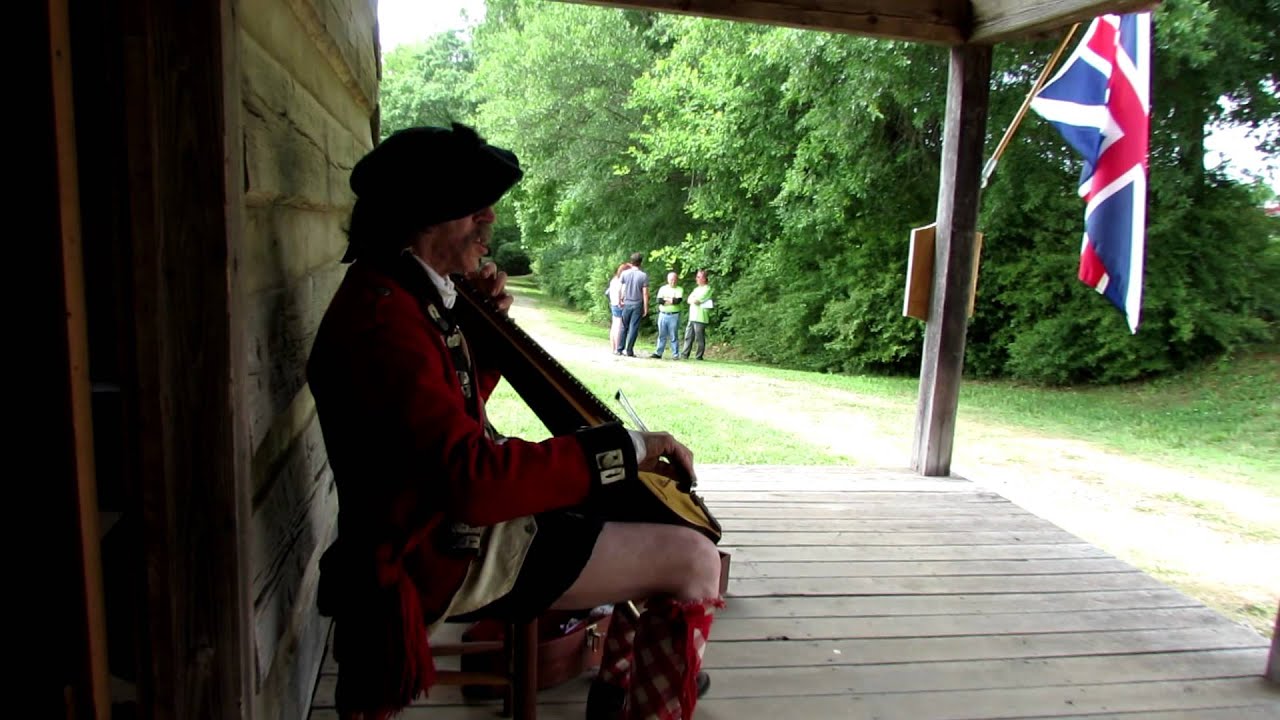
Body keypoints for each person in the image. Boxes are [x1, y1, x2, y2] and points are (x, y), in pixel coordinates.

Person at [307, 123, 722, 720]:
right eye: (473, 208)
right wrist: (627, 447)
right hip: (439, 548)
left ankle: (619, 697)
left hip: (441, 523)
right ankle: (634, 698)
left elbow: (445, 418)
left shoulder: (395, 293)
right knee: (694, 560)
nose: (490, 221)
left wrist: (488, 340)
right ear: (425, 217)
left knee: (629, 509)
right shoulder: (386, 322)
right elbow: (472, 481)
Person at [616, 252, 648, 357]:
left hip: (627, 302)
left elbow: (619, 288)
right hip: (637, 303)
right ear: (640, 262)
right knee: (633, 327)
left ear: (631, 261)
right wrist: (645, 307)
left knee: (623, 326)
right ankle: (629, 350)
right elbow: (645, 293)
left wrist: (619, 300)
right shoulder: (643, 276)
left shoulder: (625, 274)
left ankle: (619, 349)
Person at [681, 269, 713, 361]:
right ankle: (685, 354)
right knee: (688, 336)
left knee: (699, 338)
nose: (697, 278)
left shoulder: (707, 289)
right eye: (697, 276)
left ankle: (699, 356)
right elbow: (689, 300)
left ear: (704, 278)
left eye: (699, 277)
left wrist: (694, 299)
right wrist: (693, 299)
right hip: (692, 316)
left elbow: (696, 300)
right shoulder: (696, 289)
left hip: (701, 317)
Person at [650, 271, 683, 359]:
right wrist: (670, 300)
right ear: (668, 280)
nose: (673, 281)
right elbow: (659, 301)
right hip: (663, 314)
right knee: (662, 334)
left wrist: (666, 300)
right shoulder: (663, 289)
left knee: (673, 335)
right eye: (671, 280)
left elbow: (677, 301)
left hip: (674, 315)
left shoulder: (679, 289)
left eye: (675, 279)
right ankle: (658, 353)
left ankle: (675, 354)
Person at [606, 262, 631, 355]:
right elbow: (623, 294)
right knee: (619, 327)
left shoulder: (614, 280)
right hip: (620, 305)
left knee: (614, 326)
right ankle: (617, 348)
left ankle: (613, 348)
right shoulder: (622, 282)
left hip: (613, 304)